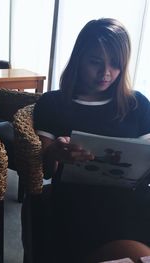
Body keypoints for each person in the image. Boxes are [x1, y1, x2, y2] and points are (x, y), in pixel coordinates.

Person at [28, 18, 150, 262]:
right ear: (79, 59)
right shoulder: (53, 104)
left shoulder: (137, 104)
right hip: (79, 201)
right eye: (96, 62)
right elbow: (46, 168)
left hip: (134, 199)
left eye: (115, 64)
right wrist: (56, 153)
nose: (106, 73)